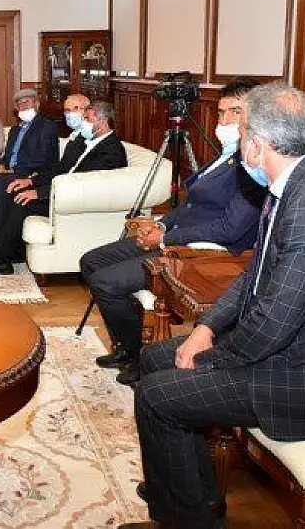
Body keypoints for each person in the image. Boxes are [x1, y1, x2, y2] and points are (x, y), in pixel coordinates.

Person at [121, 83, 305, 529]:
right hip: (300, 349)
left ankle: (185, 520)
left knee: (157, 397)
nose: (238, 139)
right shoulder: (299, 183)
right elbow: (254, 276)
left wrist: (209, 360)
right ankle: (192, 496)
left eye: (242, 129)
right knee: (154, 359)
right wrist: (206, 328)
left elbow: (273, 323)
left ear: (257, 144)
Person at [81, 79, 265, 384]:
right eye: (221, 113)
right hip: (175, 237)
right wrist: (161, 224)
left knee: (105, 282)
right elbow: (191, 203)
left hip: (200, 254)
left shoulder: (253, 167)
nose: (224, 121)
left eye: (235, 112)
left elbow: (230, 229)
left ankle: (140, 357)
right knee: (91, 261)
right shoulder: (226, 155)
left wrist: (165, 238)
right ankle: (127, 345)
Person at [0, 99, 128, 275]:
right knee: (13, 191)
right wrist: (30, 182)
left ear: (103, 122)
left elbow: (82, 183)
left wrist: (39, 193)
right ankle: (7, 251)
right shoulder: (83, 142)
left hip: (73, 200)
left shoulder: (111, 150)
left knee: (20, 202)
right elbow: (59, 170)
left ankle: (0, 260)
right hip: (61, 191)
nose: (83, 122)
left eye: (87, 119)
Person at [0, 88, 58, 246]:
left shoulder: (46, 126)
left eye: (26, 102)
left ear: (36, 104)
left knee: (0, 182)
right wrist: (2, 165)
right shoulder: (15, 129)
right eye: (19, 104)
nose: (23, 106)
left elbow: (43, 159)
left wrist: (13, 170)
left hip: (31, 174)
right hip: (10, 171)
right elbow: (8, 156)